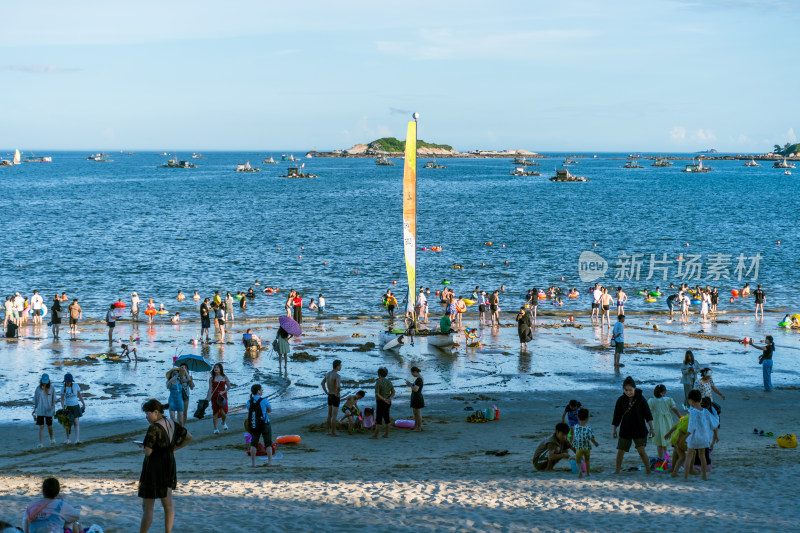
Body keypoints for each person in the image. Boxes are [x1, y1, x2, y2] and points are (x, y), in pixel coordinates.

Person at [137, 399, 192, 533]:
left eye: (147, 413)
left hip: (154, 467)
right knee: (168, 504)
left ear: (156, 412)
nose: (146, 416)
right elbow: (189, 437)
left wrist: (142, 446)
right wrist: (173, 448)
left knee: (148, 506)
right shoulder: (171, 422)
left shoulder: (154, 428)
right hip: (169, 463)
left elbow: (148, 452)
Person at [612, 376, 655, 474]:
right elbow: (617, 416)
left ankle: (648, 470)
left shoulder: (641, 399)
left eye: (630, 390)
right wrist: (614, 430)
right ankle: (617, 470)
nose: (628, 392)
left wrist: (652, 428)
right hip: (625, 429)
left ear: (634, 388)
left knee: (641, 450)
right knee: (620, 451)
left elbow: (647, 415)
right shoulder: (621, 400)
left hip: (639, 428)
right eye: (626, 390)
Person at [681, 391, 719, 481]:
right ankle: (704, 476)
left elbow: (691, 428)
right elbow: (713, 423)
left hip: (694, 439)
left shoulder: (693, 412)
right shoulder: (705, 411)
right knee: (703, 456)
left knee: (689, 457)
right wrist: (715, 435)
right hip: (704, 438)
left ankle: (686, 478)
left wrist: (684, 438)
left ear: (691, 401)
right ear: (701, 400)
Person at [648, 384, 681, 461]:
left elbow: (647, 410)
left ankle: (661, 458)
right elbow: (675, 410)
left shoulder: (652, 401)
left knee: (659, 442)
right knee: (665, 440)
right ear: (663, 392)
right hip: (667, 421)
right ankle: (665, 459)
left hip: (657, 422)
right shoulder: (668, 400)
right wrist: (681, 417)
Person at [246, 384, 273, 467]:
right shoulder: (264, 400)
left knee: (253, 444)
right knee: (268, 443)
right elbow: (270, 409)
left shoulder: (249, 402)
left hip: (254, 424)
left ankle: (253, 463)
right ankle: (269, 463)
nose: (262, 391)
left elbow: (250, 411)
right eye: (261, 390)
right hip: (265, 424)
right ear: (258, 391)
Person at [573, 409, 599, 478]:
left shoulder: (575, 427)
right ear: (588, 418)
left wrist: (568, 435)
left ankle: (580, 472)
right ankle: (588, 473)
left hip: (579, 447)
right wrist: (595, 443)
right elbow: (591, 438)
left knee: (578, 460)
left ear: (578, 417)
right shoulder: (588, 428)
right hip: (587, 447)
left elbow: (571, 434)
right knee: (587, 460)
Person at [60, 373, 84, 444]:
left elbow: (79, 395)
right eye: (67, 382)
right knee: (68, 424)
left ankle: (77, 439)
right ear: (65, 381)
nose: (68, 383)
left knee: (76, 422)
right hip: (67, 407)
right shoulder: (63, 388)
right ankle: (68, 439)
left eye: (69, 381)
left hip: (75, 406)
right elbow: (62, 399)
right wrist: (63, 408)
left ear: (71, 381)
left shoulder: (76, 385)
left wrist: (83, 403)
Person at [370, 367, 395, 439]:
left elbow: (377, 393)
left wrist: (384, 399)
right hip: (388, 402)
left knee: (379, 419)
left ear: (379, 374)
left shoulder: (378, 382)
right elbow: (393, 392)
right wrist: (389, 398)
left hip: (381, 402)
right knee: (387, 418)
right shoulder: (389, 382)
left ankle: (376, 435)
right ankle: (386, 434)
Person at [33, 374, 56, 448]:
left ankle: (51, 438)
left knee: (49, 426)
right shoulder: (38, 388)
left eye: (46, 381)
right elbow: (36, 400)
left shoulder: (52, 388)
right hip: (40, 410)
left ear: (48, 381)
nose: (45, 383)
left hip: (49, 410)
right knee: (41, 426)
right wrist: (34, 409)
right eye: (43, 381)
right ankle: (41, 443)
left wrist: (53, 406)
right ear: (41, 380)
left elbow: (54, 399)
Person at [206, 363, 230, 434]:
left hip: (223, 396)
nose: (216, 368)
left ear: (220, 369)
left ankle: (223, 422)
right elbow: (210, 389)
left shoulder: (224, 377)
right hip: (214, 396)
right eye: (215, 367)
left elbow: (229, 387)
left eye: (217, 367)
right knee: (215, 412)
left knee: (223, 412)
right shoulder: (211, 378)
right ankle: (215, 429)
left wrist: (223, 392)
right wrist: (207, 398)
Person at [321, 360, 342, 437]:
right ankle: (333, 432)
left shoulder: (328, 374)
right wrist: (337, 393)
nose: (341, 367)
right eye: (340, 365)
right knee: (334, 415)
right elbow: (338, 386)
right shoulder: (337, 376)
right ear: (337, 366)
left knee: (329, 415)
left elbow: (322, 383)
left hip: (329, 395)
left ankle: (328, 431)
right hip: (335, 396)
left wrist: (326, 391)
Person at [405, 366, 424, 432]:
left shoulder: (419, 379)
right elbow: (415, 386)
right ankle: (415, 426)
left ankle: (419, 428)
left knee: (418, 413)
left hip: (417, 397)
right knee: (415, 413)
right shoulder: (418, 378)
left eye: (412, 373)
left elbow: (416, 389)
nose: (412, 374)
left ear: (415, 372)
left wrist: (410, 385)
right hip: (415, 397)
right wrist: (410, 384)